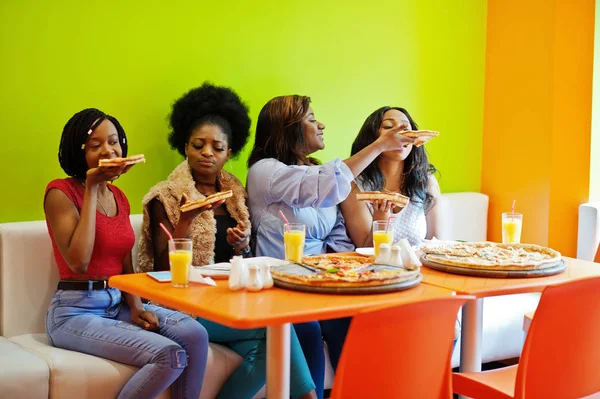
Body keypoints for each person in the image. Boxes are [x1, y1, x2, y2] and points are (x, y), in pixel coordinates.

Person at [136, 83, 317, 399]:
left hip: (229, 298)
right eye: (198, 145)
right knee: (276, 327)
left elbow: (242, 258)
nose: (207, 153)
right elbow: (164, 272)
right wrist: (187, 220)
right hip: (182, 308)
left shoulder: (235, 194)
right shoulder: (163, 196)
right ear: (185, 147)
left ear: (228, 153)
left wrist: (241, 244)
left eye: (217, 147)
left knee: (273, 341)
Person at [246, 95, 415, 398]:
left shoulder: (318, 174)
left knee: (358, 320)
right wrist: (379, 145)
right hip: (281, 286)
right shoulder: (264, 172)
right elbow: (318, 183)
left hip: (322, 285)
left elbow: (341, 242)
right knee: (308, 328)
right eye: (311, 119)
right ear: (289, 129)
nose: (321, 124)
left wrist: (379, 221)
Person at [44, 108, 209, 399]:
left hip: (118, 302)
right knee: (168, 356)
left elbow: (125, 267)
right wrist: (92, 187)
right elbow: (78, 262)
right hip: (74, 311)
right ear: (77, 150)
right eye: (95, 145)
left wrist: (136, 307)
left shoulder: (118, 196)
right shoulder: (61, 192)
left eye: (113, 141)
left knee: (195, 335)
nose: (108, 150)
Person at [340, 106, 442, 248]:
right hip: (374, 268)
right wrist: (381, 218)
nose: (400, 134)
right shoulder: (354, 186)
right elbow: (366, 251)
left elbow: (437, 246)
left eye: (406, 129)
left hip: (419, 267)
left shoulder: (426, 182)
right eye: (389, 126)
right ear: (372, 139)